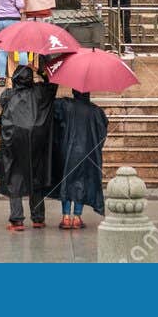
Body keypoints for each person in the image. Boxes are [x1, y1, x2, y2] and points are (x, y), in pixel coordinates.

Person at [0, 64, 56, 231]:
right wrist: (41, 71)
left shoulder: (8, 95)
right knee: (35, 176)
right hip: (36, 142)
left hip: (13, 142)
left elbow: (2, 104)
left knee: (14, 177)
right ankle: (38, 217)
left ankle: (17, 220)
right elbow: (53, 84)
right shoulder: (40, 92)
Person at [53, 91, 107, 229]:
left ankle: (65, 217)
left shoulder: (65, 105)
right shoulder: (96, 111)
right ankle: (77, 217)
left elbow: (52, 113)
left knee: (66, 181)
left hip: (67, 150)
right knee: (81, 182)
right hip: (87, 152)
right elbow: (102, 131)